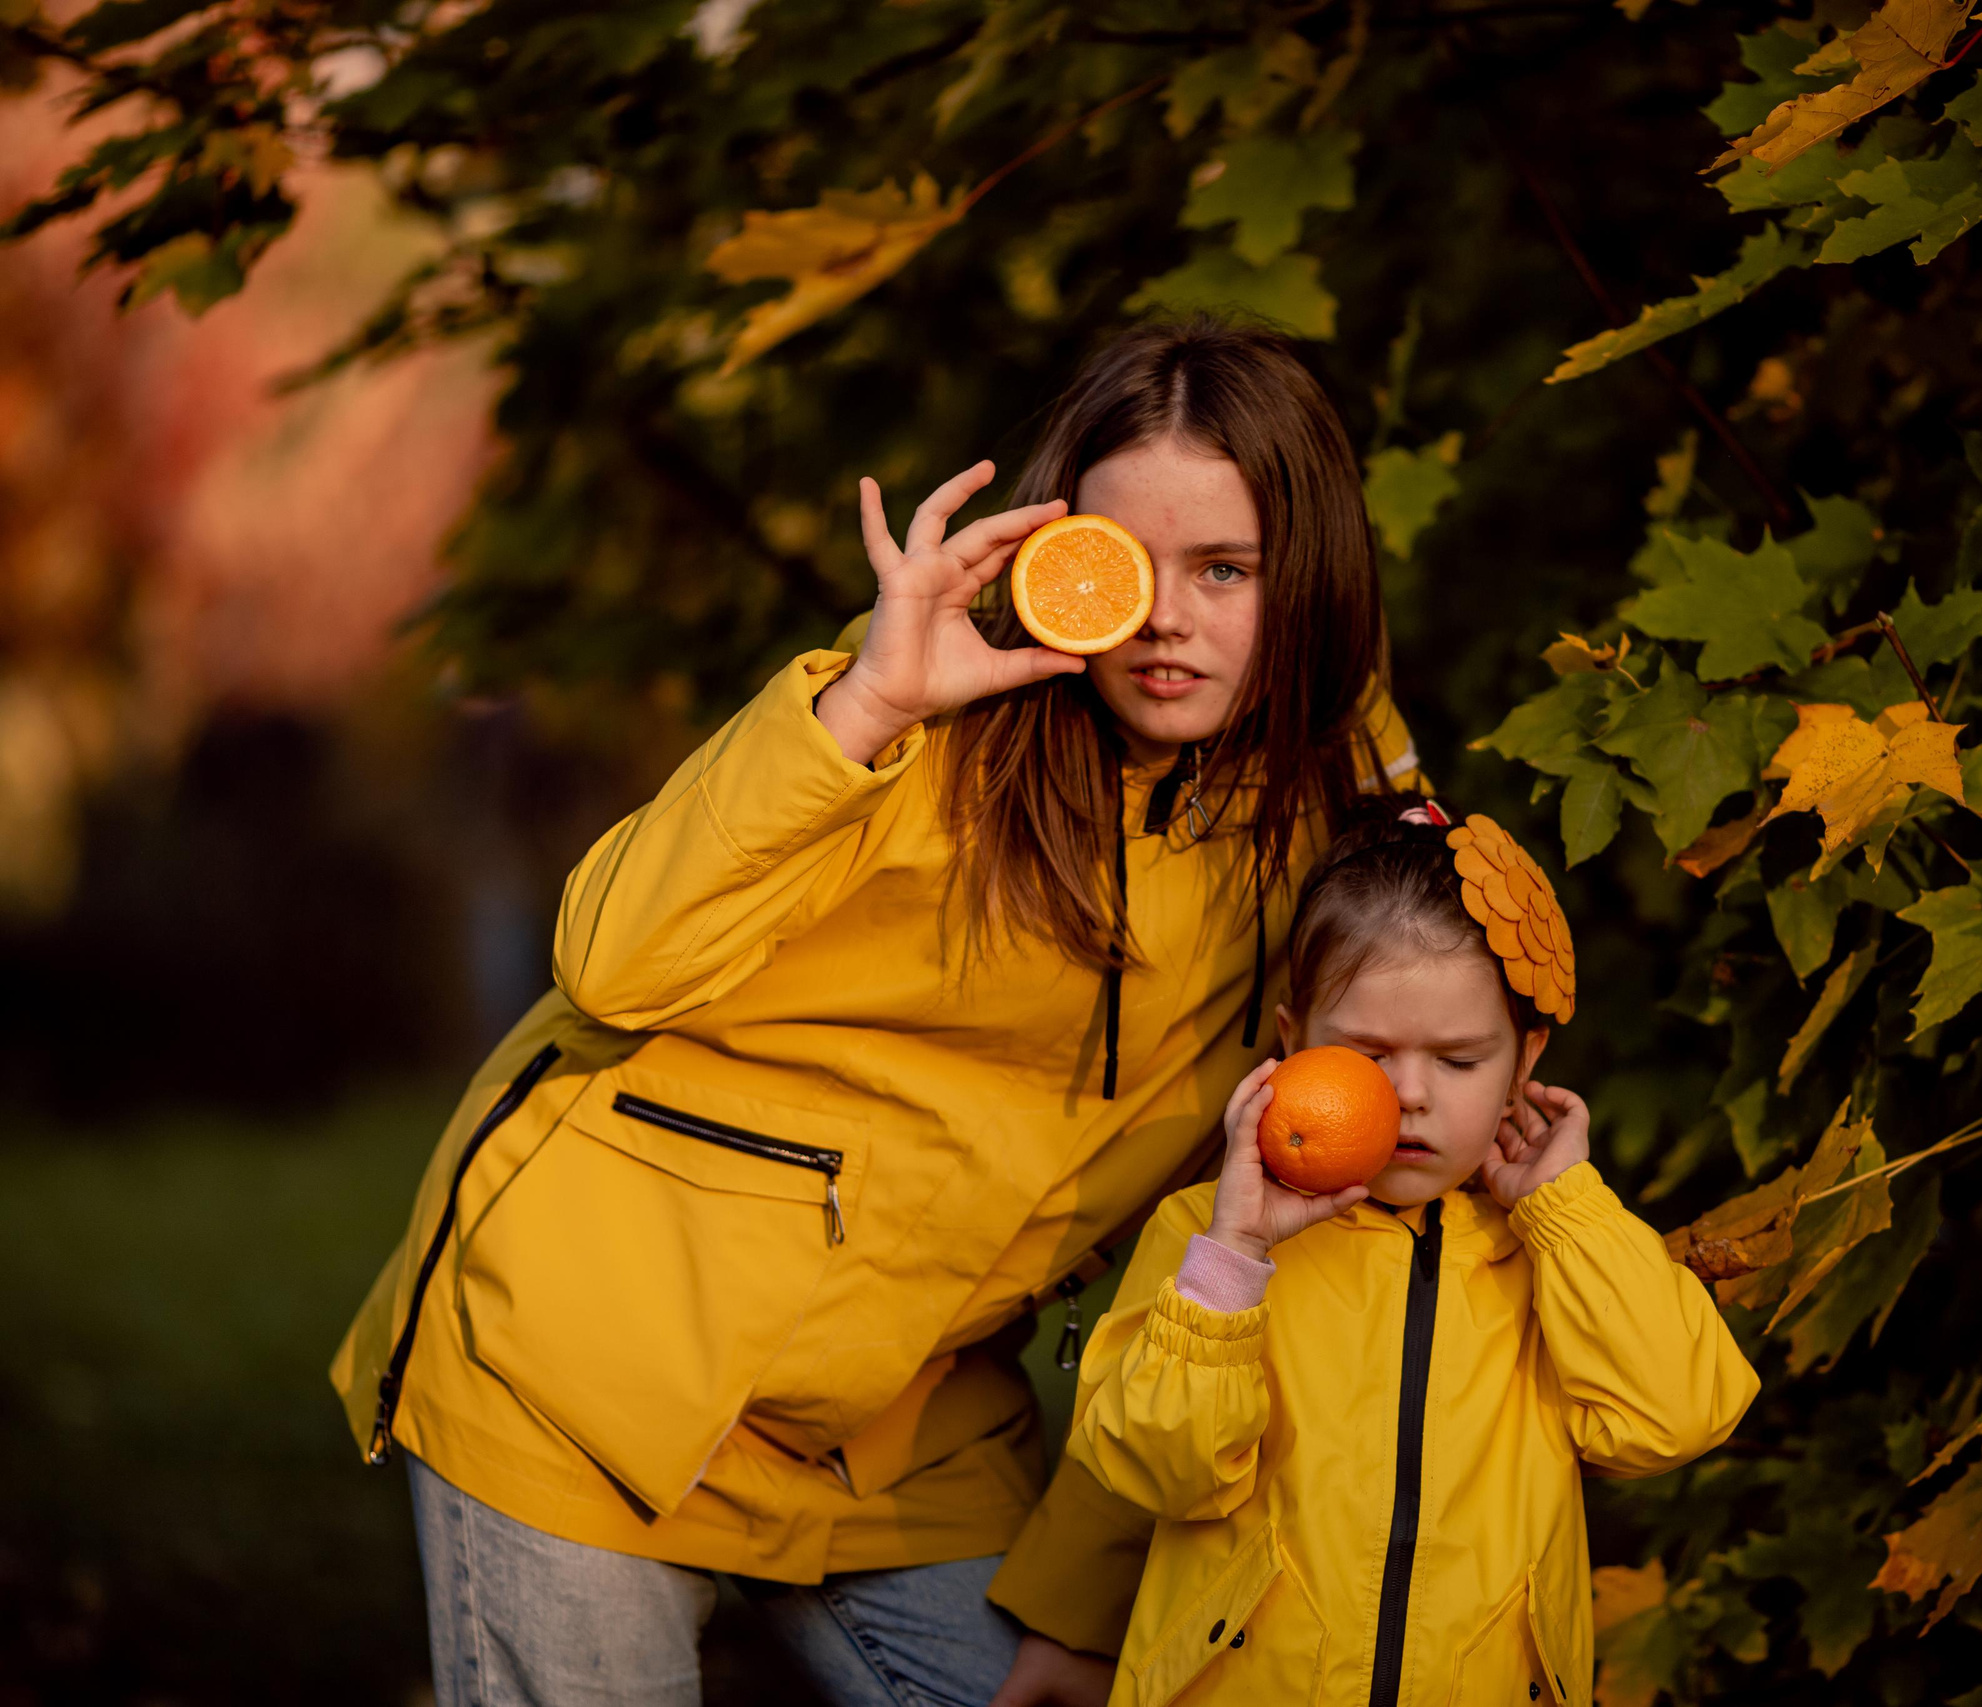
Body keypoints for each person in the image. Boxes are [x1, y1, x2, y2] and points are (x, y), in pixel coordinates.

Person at [326, 317, 1425, 1707]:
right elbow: (609, 965)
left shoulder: (1310, 826)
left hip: (911, 1426)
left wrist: (1080, 1599)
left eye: (1226, 569)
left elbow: (1222, 1219)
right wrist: (861, 708)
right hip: (591, 1364)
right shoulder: (912, 711)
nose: (1165, 618)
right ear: (1046, 555)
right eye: (1124, 566)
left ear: (1308, 580)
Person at [998, 801, 1760, 1705]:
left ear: (1527, 1061)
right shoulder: (1209, 1238)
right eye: (1365, 1051)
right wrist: (1235, 1255)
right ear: (1292, 1042)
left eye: (1461, 1060)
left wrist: (1567, 1210)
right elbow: (1160, 1466)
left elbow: (1675, 1417)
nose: (1409, 1094)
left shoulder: (1549, 1253)